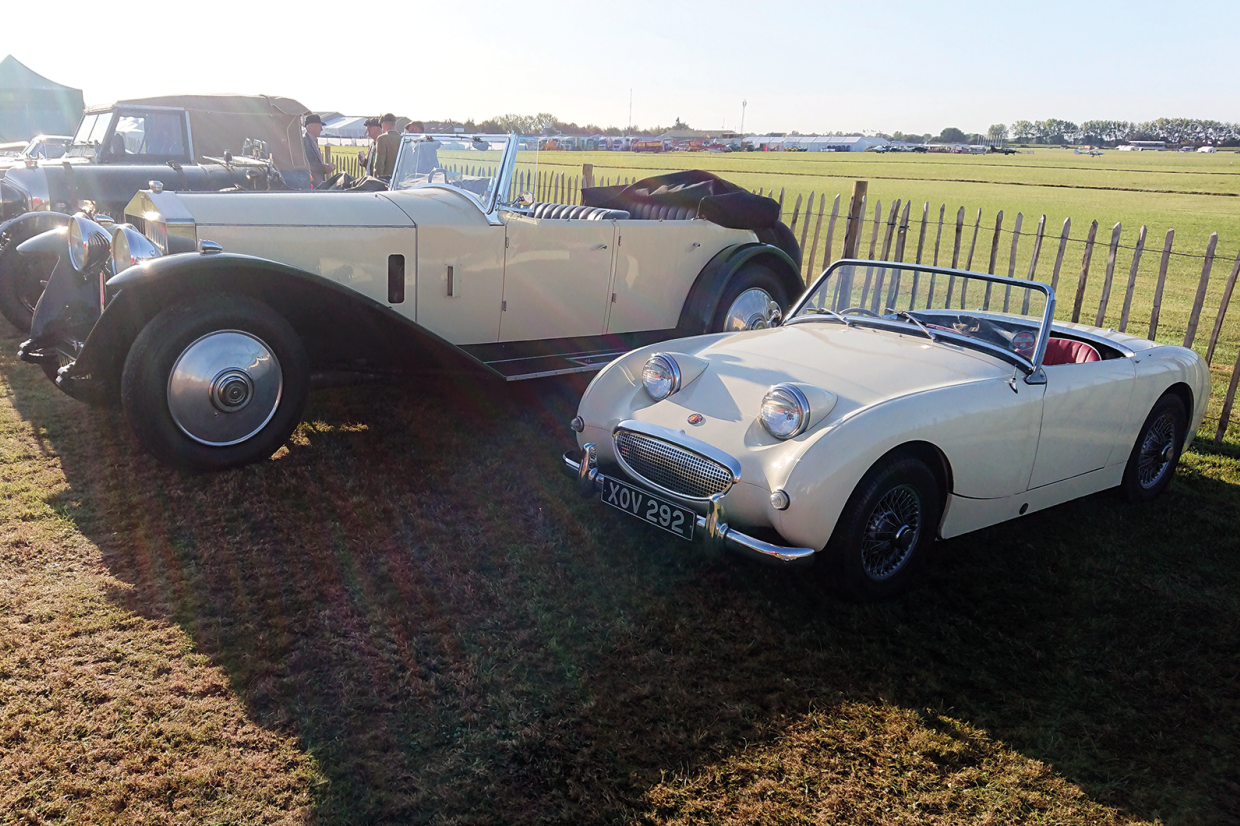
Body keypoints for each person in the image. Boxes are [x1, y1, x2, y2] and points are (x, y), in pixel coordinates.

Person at [302, 114, 334, 186]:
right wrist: (324, 168)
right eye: (320, 127)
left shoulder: (313, 140)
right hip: (311, 183)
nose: (321, 129)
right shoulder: (304, 141)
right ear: (311, 126)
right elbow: (307, 164)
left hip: (317, 183)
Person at [373, 113, 401, 180]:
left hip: (386, 180)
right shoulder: (402, 138)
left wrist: (376, 178)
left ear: (384, 123)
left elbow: (379, 163)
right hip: (400, 179)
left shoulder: (382, 138)